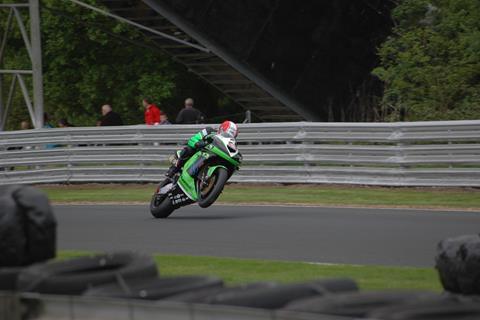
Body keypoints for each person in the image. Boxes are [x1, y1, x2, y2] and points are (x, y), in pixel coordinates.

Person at [165, 120, 238, 178]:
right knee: (189, 149)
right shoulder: (210, 131)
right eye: (227, 133)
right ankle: (174, 168)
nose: (228, 136)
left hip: (214, 157)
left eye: (231, 135)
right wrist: (197, 143)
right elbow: (193, 139)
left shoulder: (230, 143)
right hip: (200, 152)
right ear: (221, 129)